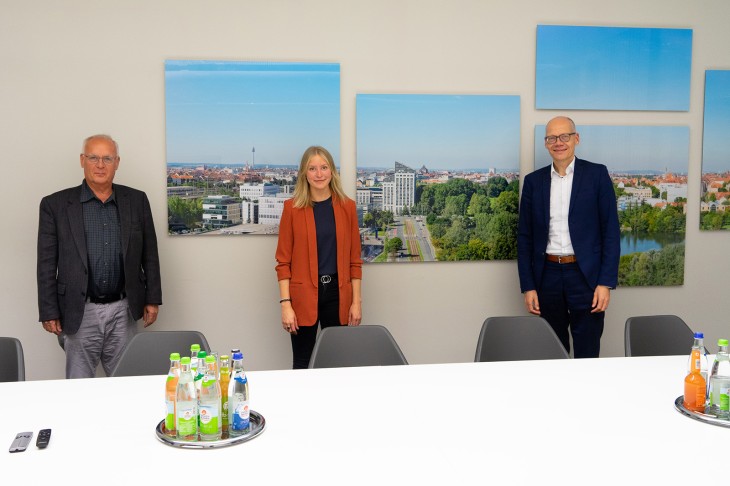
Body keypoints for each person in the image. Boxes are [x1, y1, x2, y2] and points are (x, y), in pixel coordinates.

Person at [37, 134, 162, 378]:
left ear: (117, 162)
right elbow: (45, 263)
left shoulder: (136, 200)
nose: (100, 165)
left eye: (107, 158)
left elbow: (150, 254)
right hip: (78, 310)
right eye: (93, 157)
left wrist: (152, 298)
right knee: (79, 386)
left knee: (126, 384)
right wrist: (48, 310)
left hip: (124, 309)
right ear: (82, 160)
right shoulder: (56, 205)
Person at [517, 116, 620, 358]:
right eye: (552, 137)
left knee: (587, 351)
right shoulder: (533, 182)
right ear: (545, 143)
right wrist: (528, 286)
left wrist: (605, 283)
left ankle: (586, 396)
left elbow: (611, 233)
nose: (558, 142)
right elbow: (525, 238)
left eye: (564, 136)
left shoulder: (596, 175)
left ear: (576, 138)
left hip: (586, 278)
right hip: (547, 277)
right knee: (552, 351)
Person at [275, 146, 363, 369]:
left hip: (338, 295)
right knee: (302, 363)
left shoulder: (347, 207)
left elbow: (355, 261)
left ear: (332, 171)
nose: (319, 174)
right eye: (312, 168)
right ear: (304, 173)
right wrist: (286, 305)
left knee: (336, 363)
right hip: (302, 296)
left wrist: (356, 302)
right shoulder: (292, 209)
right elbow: (283, 263)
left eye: (324, 167)